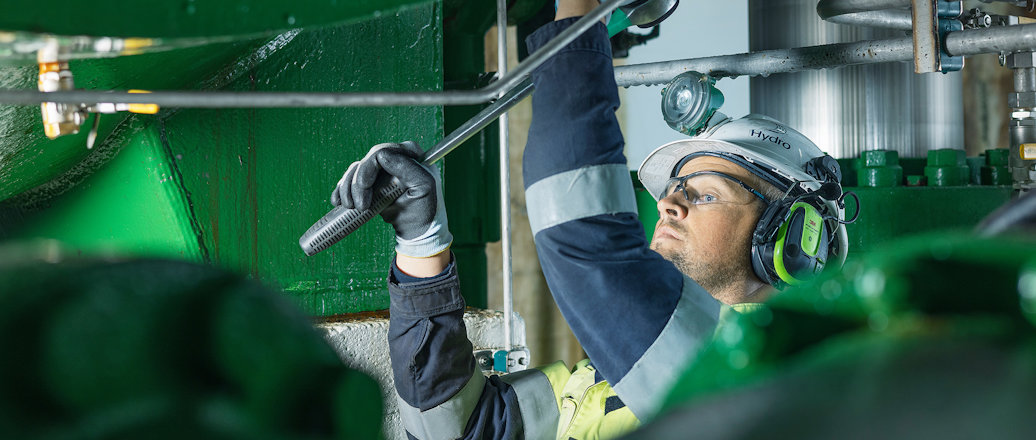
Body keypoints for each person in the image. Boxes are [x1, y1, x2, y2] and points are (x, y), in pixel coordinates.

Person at [330, 1, 849, 438]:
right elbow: (457, 429)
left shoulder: (763, 374)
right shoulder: (601, 389)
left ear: (788, 239)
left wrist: (581, 12)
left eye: (707, 195)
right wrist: (423, 243)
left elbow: (586, 239)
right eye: (674, 188)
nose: (669, 204)